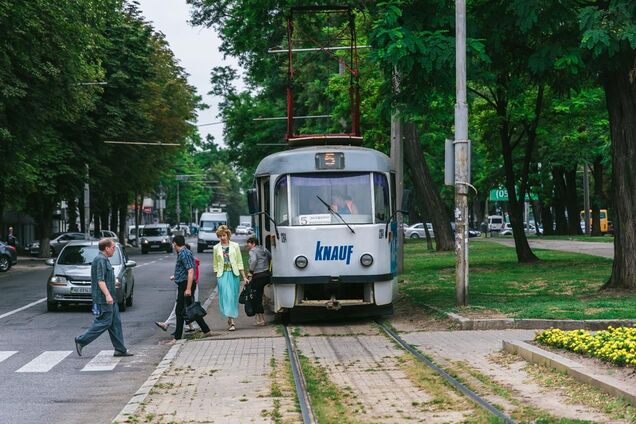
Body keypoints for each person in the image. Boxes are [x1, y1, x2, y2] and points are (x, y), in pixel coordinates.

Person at [74, 238, 132, 357]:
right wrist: (107, 295)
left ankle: (120, 349)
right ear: (106, 248)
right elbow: (100, 281)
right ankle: (81, 340)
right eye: (113, 247)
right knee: (104, 322)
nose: (114, 250)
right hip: (104, 299)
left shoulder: (105, 259)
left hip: (111, 298)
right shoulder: (100, 260)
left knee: (115, 323)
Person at [165, 235, 213, 345]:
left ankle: (177, 338)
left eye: (173, 244)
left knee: (180, 310)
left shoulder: (185, 253)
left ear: (175, 243)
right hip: (184, 283)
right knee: (191, 309)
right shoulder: (183, 252)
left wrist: (188, 288)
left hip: (186, 285)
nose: (173, 246)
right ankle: (206, 330)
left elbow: (191, 271)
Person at [155, 244, 200, 333]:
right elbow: (183, 272)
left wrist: (188, 288)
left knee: (183, 308)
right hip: (186, 285)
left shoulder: (188, 260)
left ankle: (171, 326)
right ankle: (188, 328)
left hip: (188, 286)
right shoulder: (189, 259)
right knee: (183, 307)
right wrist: (176, 277)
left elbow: (191, 274)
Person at [213, 225, 247, 331]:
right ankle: (232, 321)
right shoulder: (216, 248)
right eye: (220, 236)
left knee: (232, 297)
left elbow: (239, 261)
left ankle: (230, 317)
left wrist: (244, 277)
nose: (222, 238)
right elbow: (215, 264)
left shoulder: (235, 246)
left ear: (228, 235)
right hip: (222, 275)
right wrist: (217, 277)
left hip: (233, 274)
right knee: (225, 296)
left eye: (224, 235)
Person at [246, 236, 271, 326]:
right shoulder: (263, 249)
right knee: (259, 296)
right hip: (266, 275)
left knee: (256, 298)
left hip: (258, 276)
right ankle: (259, 318)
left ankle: (261, 319)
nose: (247, 245)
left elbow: (254, 261)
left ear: (253, 243)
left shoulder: (252, 251)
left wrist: (250, 272)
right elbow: (269, 256)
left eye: (248, 243)